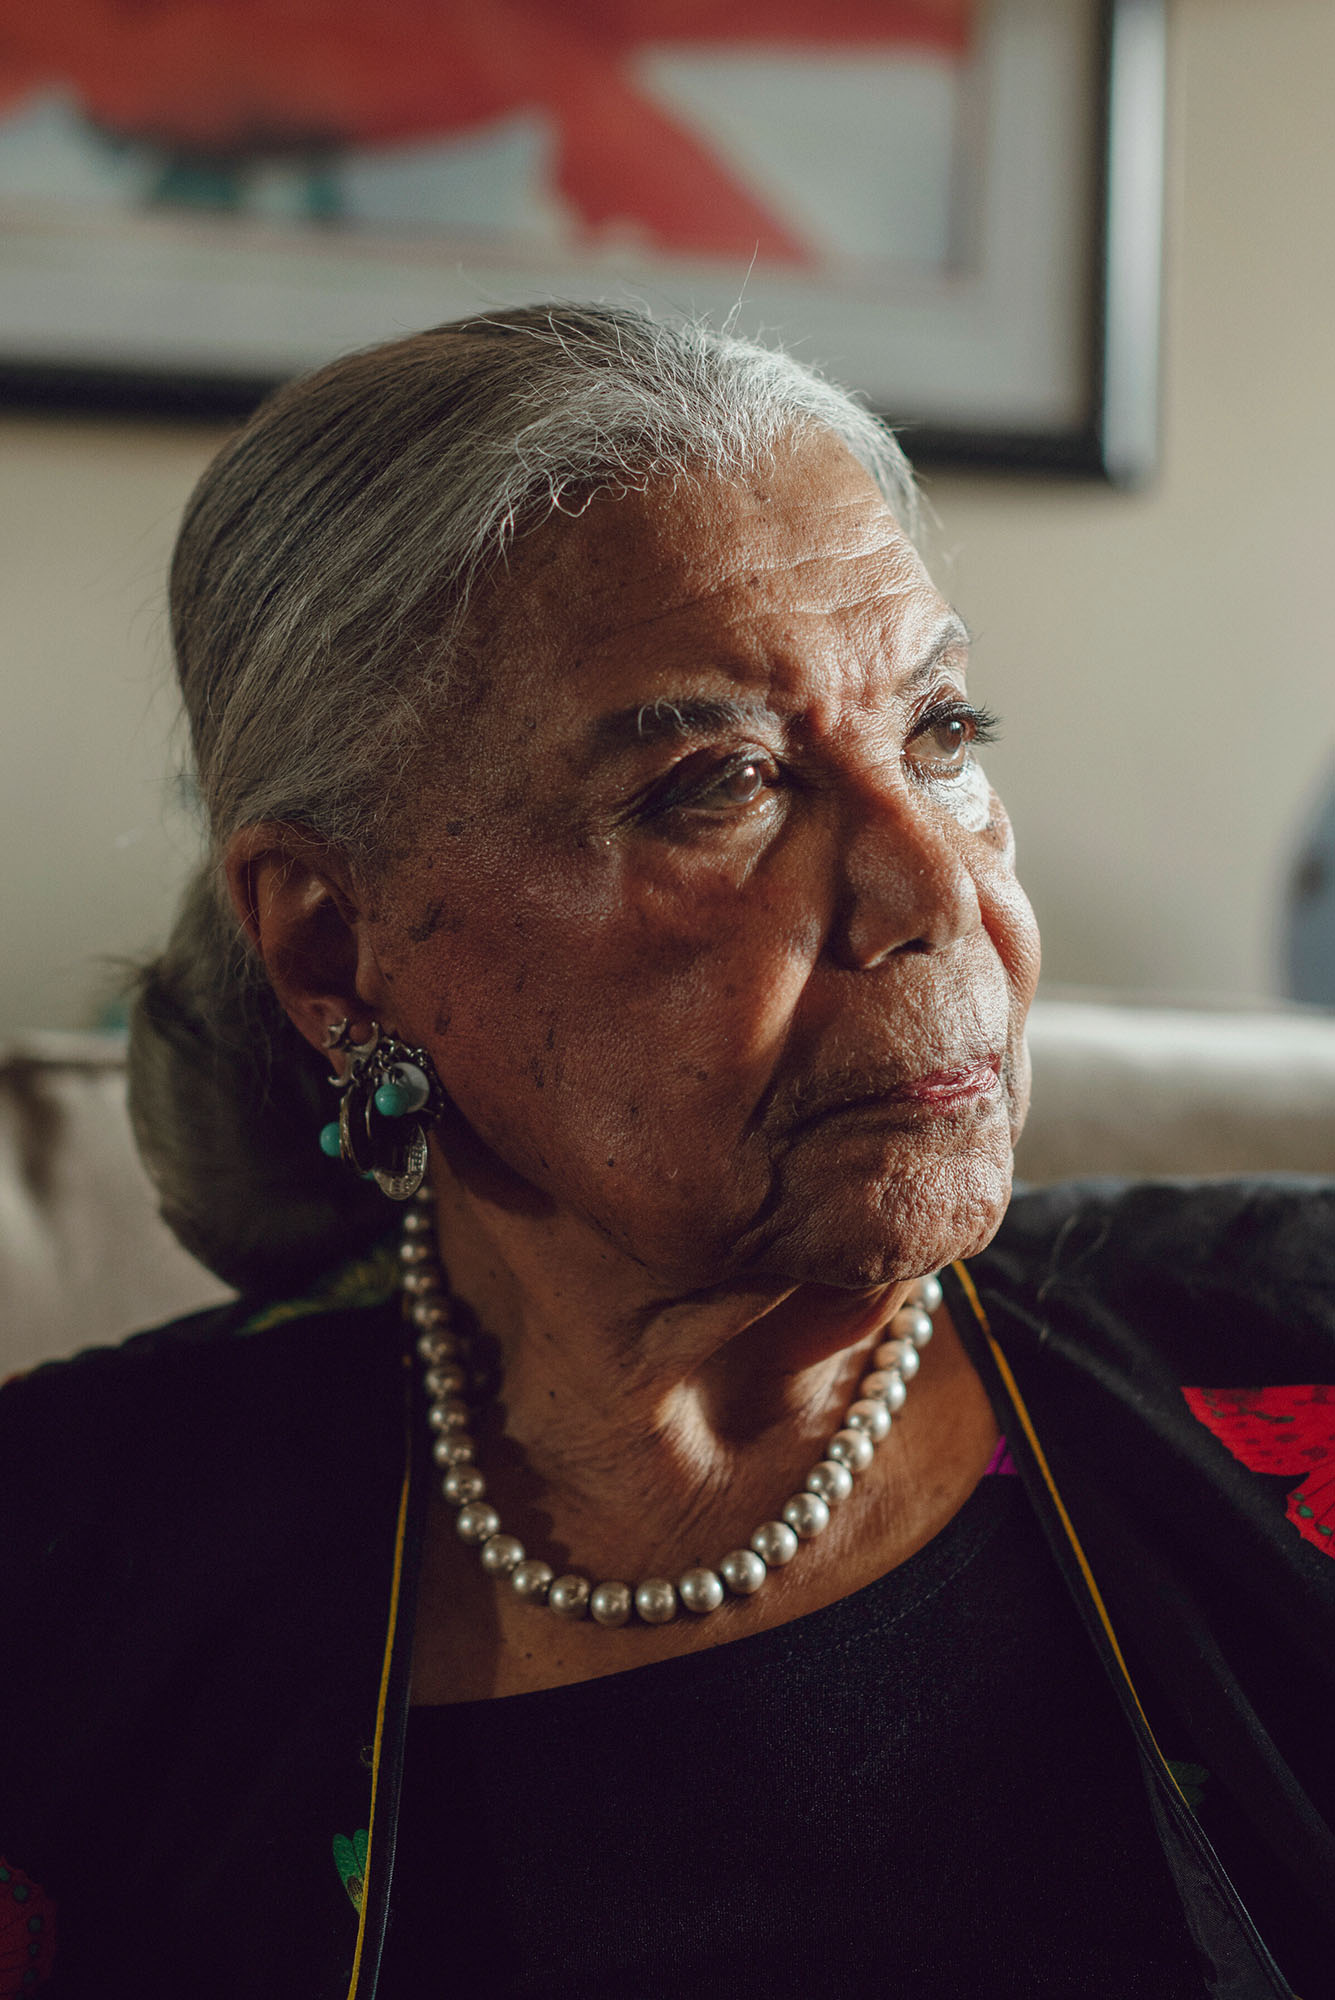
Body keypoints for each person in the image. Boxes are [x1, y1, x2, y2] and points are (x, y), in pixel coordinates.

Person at [0, 306, 1331, 2000]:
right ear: (336, 952)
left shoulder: (1297, 1347)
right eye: (726, 785)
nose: (940, 900)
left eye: (945, 738)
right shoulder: (61, 1571)